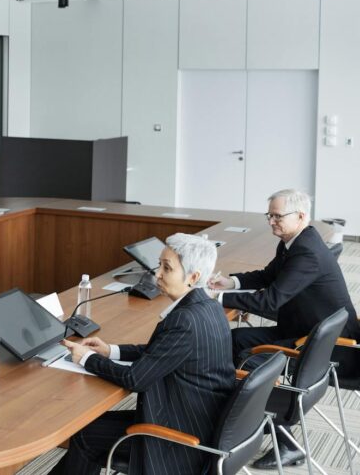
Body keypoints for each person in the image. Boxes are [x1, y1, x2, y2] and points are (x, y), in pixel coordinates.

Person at [49, 233, 235, 475]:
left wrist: (86, 358)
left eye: (166, 268)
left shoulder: (185, 320)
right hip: (197, 415)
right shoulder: (208, 306)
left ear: (193, 276)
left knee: (86, 437)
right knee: (89, 428)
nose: (157, 273)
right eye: (159, 264)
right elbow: (159, 352)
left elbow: (135, 379)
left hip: (180, 437)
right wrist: (110, 350)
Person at [208, 188, 360, 468]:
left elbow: (270, 301)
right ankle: (235, 418)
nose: (271, 222)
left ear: (301, 216)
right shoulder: (296, 241)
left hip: (330, 348)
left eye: (277, 216)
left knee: (250, 360)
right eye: (269, 215)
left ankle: (280, 440)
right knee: (234, 340)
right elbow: (268, 276)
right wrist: (231, 283)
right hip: (306, 330)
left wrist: (216, 299)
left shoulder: (307, 252)